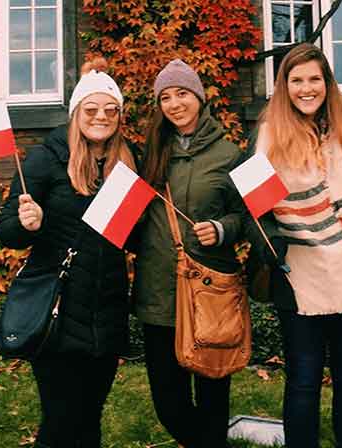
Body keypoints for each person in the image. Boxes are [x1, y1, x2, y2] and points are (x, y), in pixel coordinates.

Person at [250, 43, 342, 448]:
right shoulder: (268, 135)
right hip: (300, 276)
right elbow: (254, 209)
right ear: (284, 86)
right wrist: (271, 242)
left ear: (327, 83)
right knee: (304, 381)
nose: (306, 88)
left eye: (314, 79)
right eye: (296, 81)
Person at [0, 58, 136, 447]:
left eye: (111, 110)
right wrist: (29, 224)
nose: (101, 117)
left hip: (106, 311)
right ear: (76, 113)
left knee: (90, 420)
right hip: (57, 312)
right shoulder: (45, 158)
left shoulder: (128, 161)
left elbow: (131, 236)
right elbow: (6, 230)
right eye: (91, 109)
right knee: (60, 424)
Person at [133, 59, 247, 448]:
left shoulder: (230, 154)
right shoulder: (147, 153)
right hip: (159, 293)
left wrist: (221, 228)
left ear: (198, 96)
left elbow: (249, 217)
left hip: (210, 290)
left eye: (182, 93)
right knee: (169, 402)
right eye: (165, 97)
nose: (174, 103)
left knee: (213, 396)